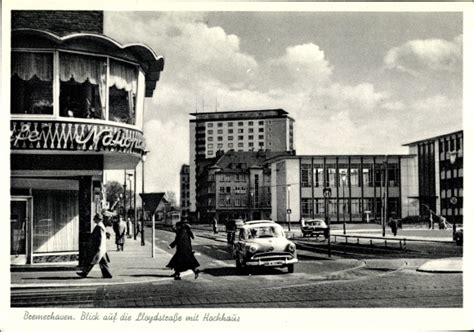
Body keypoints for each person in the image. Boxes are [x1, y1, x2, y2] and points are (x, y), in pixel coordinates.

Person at [77, 213, 112, 279]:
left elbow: (99, 238)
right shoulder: (101, 226)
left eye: (94, 218)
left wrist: (97, 247)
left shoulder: (98, 227)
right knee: (102, 262)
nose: (93, 220)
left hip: (98, 247)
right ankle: (107, 274)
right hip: (101, 248)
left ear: (98, 219)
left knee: (91, 261)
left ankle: (84, 273)